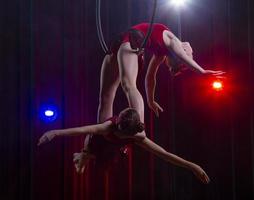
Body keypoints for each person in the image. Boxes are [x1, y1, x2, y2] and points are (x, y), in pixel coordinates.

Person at [75, 23, 225, 172]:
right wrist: (201, 71)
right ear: (183, 54)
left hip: (128, 44)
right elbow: (181, 58)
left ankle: (112, 136)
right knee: (108, 94)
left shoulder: (162, 52)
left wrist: (150, 100)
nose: (170, 67)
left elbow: (150, 77)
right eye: (176, 66)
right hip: (127, 41)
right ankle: (111, 137)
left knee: (123, 88)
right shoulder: (173, 40)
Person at [38, 108, 210, 184]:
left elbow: (164, 154)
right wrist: (54, 132)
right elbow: (82, 130)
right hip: (96, 143)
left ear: (128, 135)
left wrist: (192, 166)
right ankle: (83, 155)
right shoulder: (107, 127)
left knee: (106, 166)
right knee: (90, 146)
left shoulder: (138, 138)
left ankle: (83, 158)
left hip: (113, 150)